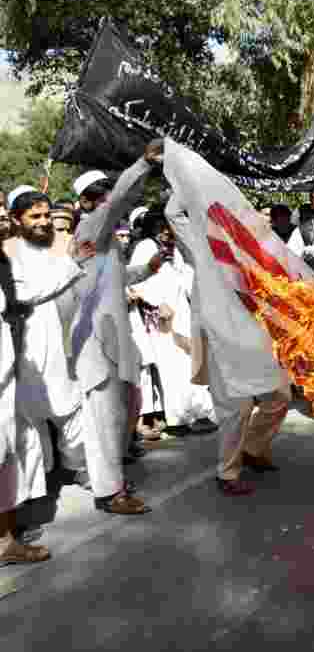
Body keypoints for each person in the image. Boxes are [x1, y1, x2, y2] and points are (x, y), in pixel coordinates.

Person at [163, 144, 291, 498]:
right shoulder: (203, 245)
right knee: (234, 408)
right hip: (221, 339)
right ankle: (228, 473)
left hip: (256, 341)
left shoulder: (259, 256)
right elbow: (173, 214)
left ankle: (253, 447)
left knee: (280, 396)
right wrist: (185, 175)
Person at [70, 151, 170, 513]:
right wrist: (144, 163)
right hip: (97, 344)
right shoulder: (92, 226)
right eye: (101, 196)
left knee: (116, 417)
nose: (108, 203)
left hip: (112, 340)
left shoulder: (104, 240)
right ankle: (111, 493)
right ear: (86, 202)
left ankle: (112, 485)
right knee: (104, 421)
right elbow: (122, 198)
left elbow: (117, 279)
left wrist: (147, 268)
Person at [0, 190, 97, 564]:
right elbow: (25, 296)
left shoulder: (52, 249)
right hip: (21, 353)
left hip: (52, 347)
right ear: (17, 219)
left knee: (66, 410)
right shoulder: (9, 253)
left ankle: (73, 471)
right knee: (24, 430)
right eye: (34, 217)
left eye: (45, 216)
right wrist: (70, 266)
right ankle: (24, 509)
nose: (42, 223)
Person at [128, 211, 217, 436]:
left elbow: (186, 279)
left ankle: (200, 413)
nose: (166, 231)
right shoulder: (145, 248)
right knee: (172, 366)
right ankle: (179, 419)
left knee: (191, 362)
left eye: (168, 226)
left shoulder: (175, 249)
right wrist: (157, 303)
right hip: (160, 318)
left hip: (183, 312)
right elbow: (137, 283)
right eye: (161, 227)